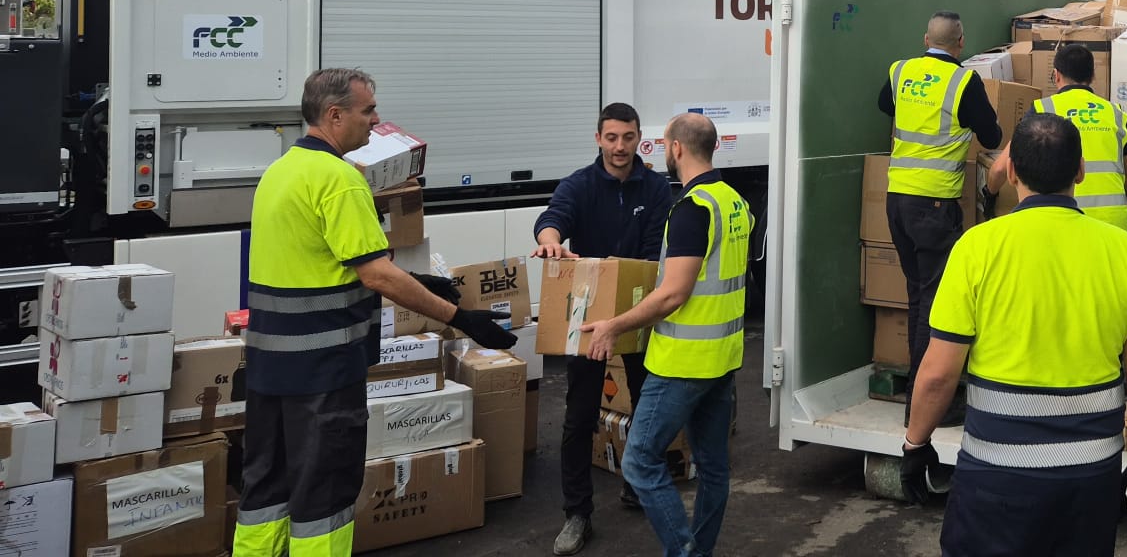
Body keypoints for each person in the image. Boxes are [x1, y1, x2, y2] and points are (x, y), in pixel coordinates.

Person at [235, 69, 513, 557]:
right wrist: (462, 318)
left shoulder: (280, 171)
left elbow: (321, 264)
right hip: (323, 374)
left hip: (268, 370)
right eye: (368, 110)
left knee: (266, 493)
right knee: (322, 500)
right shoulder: (340, 179)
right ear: (334, 115)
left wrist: (417, 280)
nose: (376, 119)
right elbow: (377, 275)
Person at [901, 112, 1127, 557]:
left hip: (995, 479)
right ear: (1080, 170)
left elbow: (938, 374)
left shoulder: (976, 248)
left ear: (1012, 172)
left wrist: (916, 443)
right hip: (1089, 481)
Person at [579, 113, 752, 557]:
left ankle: (685, 552)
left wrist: (614, 325)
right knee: (713, 467)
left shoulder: (693, 208)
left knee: (639, 461)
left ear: (676, 148)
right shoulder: (733, 201)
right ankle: (701, 550)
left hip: (683, 363)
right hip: (721, 358)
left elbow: (673, 293)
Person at [533, 102, 677, 555]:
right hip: (589, 319)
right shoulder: (579, 185)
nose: (619, 147)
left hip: (637, 314)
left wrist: (627, 311)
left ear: (639, 139)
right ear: (598, 138)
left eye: (628, 137)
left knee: (646, 407)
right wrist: (550, 243)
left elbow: (654, 252)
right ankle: (577, 513)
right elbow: (552, 219)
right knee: (579, 417)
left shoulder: (656, 189)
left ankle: (638, 483)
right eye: (611, 137)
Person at [878, 11, 1003, 423]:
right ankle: (926, 403)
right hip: (933, 205)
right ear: (961, 42)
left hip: (897, 199)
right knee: (936, 303)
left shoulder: (900, 71)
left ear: (925, 38)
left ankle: (918, 396)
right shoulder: (964, 81)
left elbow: (884, 105)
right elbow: (993, 136)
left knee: (918, 295)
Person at [986, 42, 1127, 231]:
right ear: (1092, 76)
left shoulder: (1043, 109)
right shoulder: (1114, 112)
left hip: (1064, 220)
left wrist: (989, 197)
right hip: (1114, 223)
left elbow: (999, 170)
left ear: (1056, 75)